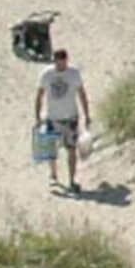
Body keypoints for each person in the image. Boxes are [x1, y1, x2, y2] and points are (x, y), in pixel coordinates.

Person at [34, 48, 92, 193]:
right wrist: (37, 115)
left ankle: (72, 180)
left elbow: (82, 94)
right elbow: (39, 95)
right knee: (50, 148)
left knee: (71, 149)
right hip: (53, 117)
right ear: (55, 61)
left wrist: (87, 114)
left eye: (64, 63)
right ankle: (53, 175)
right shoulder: (47, 74)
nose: (62, 66)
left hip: (70, 117)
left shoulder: (73, 73)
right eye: (59, 63)